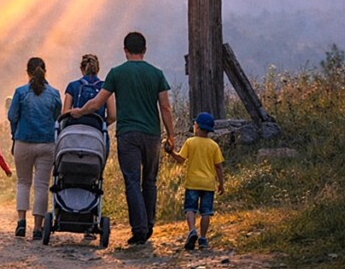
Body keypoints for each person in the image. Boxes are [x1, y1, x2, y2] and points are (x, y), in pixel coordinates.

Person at [70, 31, 176, 245]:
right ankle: (149, 224)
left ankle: (139, 229)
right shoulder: (156, 74)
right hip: (152, 135)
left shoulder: (117, 73)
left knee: (132, 181)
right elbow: (165, 107)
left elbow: (97, 103)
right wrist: (171, 135)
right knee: (150, 181)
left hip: (128, 134)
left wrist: (79, 112)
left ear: (125, 50)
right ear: (145, 50)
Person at [7, 57, 62, 239]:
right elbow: (58, 118)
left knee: (23, 182)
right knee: (42, 185)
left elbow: (12, 116)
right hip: (46, 143)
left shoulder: (20, 92)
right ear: (45, 71)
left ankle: (21, 222)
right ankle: (38, 228)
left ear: (27, 72)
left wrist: (15, 134)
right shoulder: (54, 93)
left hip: (23, 141)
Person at [165, 112, 225, 250]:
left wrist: (171, 152)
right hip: (208, 184)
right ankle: (203, 238)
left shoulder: (190, 142)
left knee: (190, 209)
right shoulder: (214, 146)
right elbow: (218, 167)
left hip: (192, 183)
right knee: (206, 212)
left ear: (196, 126)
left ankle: (192, 230)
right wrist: (221, 184)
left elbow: (180, 159)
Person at [63, 54, 106, 120]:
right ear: (98, 69)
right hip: (96, 125)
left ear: (81, 69)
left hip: (76, 124)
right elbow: (112, 116)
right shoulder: (105, 86)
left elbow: (65, 113)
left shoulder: (72, 85)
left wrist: (78, 112)